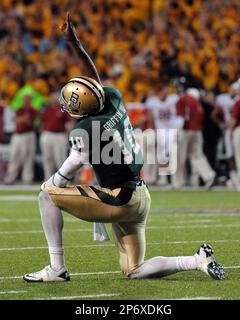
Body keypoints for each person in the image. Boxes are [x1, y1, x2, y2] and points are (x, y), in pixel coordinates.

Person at [23, 13, 224, 282]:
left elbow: (66, 172)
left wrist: (58, 186)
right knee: (134, 270)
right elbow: (94, 79)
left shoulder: (83, 129)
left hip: (119, 199)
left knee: (46, 195)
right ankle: (196, 260)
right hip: (140, 195)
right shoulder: (114, 98)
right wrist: (77, 44)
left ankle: (57, 268)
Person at [174, 88, 216, 189]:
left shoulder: (184, 98)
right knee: (197, 156)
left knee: (179, 156)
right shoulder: (198, 103)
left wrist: (178, 130)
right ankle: (209, 175)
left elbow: (181, 116)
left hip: (185, 130)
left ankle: (178, 182)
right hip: (197, 131)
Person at [4, 94, 37, 184]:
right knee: (14, 156)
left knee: (27, 157)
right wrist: (22, 119)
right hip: (17, 135)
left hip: (27, 135)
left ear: (30, 101)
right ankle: (10, 178)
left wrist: (21, 119)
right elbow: (14, 119)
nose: (25, 101)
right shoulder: (20, 109)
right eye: (24, 99)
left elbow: (29, 122)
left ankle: (27, 178)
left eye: (27, 100)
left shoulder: (32, 110)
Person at [40, 93, 73, 180]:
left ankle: (63, 178)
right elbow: (42, 122)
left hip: (59, 135)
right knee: (47, 157)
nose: (54, 100)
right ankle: (48, 178)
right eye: (53, 98)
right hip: (47, 134)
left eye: (56, 98)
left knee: (60, 158)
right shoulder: (46, 110)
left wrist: (68, 135)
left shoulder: (63, 110)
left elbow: (69, 123)